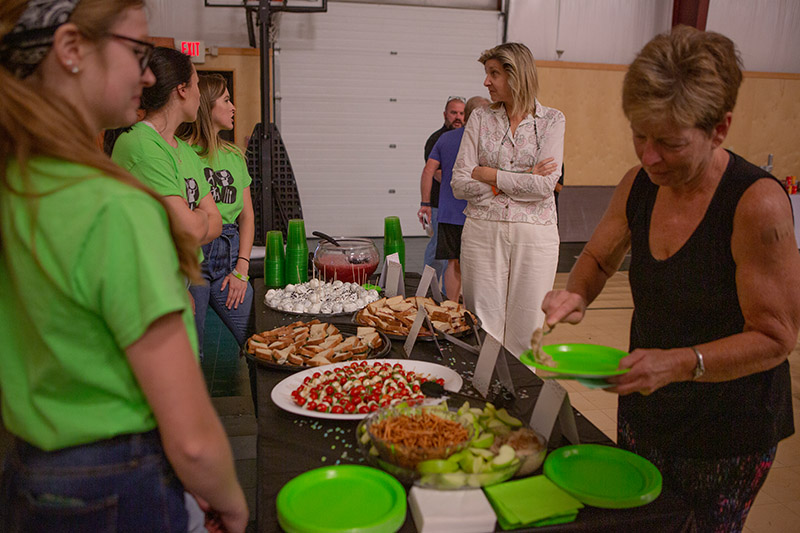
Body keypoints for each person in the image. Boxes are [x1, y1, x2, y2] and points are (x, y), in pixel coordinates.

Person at [0, 1, 248, 532]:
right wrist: (229, 498)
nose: (148, 74)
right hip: (117, 479)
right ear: (71, 49)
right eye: (137, 51)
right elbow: (192, 438)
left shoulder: (21, 182)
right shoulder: (113, 206)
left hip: (31, 470)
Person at [541, 26, 799, 532]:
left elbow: (776, 337)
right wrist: (576, 295)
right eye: (640, 134)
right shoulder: (639, 184)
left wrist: (678, 363)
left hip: (727, 431)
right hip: (648, 406)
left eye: (670, 142)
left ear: (719, 129)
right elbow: (598, 257)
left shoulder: (756, 204)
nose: (648, 156)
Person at [451, 42, 563, 357]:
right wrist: (522, 176)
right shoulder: (479, 118)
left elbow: (544, 186)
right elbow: (459, 182)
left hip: (536, 235)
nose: (486, 81)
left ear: (516, 75)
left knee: (528, 327)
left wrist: (488, 174)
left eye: (494, 74)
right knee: (482, 325)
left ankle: (521, 390)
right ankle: (484, 387)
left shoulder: (552, 120)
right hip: (482, 230)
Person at [178, 73, 256, 405]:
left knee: (256, 342)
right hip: (192, 258)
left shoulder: (235, 156)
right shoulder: (181, 154)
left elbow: (247, 216)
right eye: (226, 100)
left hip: (229, 258)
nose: (233, 106)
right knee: (190, 354)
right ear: (207, 107)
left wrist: (242, 269)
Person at [112, 47, 222, 270]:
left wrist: (192, 219)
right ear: (182, 90)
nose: (199, 94)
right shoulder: (141, 145)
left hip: (180, 273)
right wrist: (200, 216)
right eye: (197, 84)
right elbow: (189, 230)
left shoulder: (185, 151)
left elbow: (217, 223)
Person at [417, 96, 489, 300]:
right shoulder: (487, 141)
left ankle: (452, 306)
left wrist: (425, 203)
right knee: (479, 264)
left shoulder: (445, 139)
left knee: (452, 262)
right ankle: (474, 307)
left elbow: (428, 171)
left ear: (466, 115)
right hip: (478, 213)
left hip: (449, 214)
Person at [419, 95, 465, 292]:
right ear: (445, 114)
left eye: (461, 113)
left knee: (453, 257)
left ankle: (448, 295)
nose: (458, 117)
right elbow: (435, 173)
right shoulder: (437, 139)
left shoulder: (467, 138)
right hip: (440, 205)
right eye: (454, 112)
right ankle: (427, 291)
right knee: (437, 252)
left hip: (460, 207)